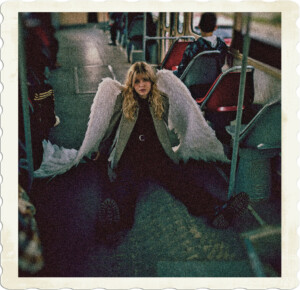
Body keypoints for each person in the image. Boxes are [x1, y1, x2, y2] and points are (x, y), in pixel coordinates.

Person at [94, 61, 249, 238]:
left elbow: (162, 128)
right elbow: (112, 127)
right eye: (137, 82)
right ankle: (115, 223)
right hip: (131, 154)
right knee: (124, 186)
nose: (141, 85)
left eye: (145, 80)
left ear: (152, 82)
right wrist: (102, 149)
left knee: (181, 180)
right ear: (131, 84)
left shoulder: (162, 100)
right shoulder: (124, 99)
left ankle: (216, 210)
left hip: (155, 153)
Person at [174, 13, 228, 78]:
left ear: (199, 26)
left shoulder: (192, 47)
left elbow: (182, 69)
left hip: (191, 82)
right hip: (213, 82)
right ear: (215, 27)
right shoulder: (222, 46)